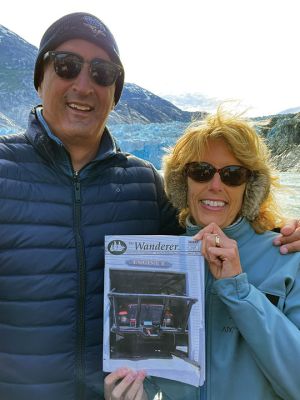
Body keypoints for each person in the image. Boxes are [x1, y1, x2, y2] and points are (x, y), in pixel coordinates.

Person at [0, 11, 299, 400]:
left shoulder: (142, 185)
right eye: (67, 66)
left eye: (102, 73)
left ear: (115, 93)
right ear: (41, 78)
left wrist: (287, 231)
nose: (83, 85)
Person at [141, 109, 300, 399]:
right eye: (200, 172)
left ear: (250, 186)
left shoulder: (289, 257)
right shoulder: (160, 260)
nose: (216, 185)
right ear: (182, 180)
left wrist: (240, 292)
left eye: (232, 175)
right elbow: (151, 366)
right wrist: (136, 388)